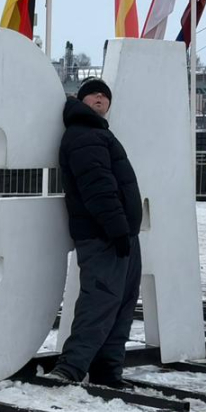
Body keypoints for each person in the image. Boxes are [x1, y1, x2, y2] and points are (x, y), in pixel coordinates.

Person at [47, 77, 143, 388]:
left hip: (121, 234)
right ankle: (70, 368)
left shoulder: (99, 133)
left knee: (122, 303)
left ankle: (108, 371)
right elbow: (98, 188)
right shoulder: (83, 135)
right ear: (82, 100)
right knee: (100, 301)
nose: (100, 98)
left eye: (105, 95)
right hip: (104, 235)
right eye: (93, 94)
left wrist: (124, 231)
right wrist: (116, 229)